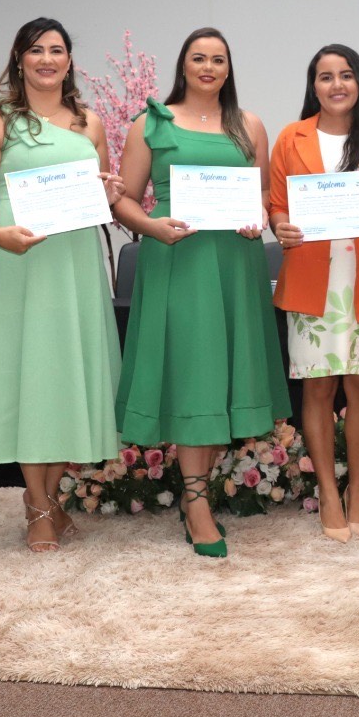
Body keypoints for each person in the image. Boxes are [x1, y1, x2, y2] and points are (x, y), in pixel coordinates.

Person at [112, 28, 291, 559]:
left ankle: (198, 492)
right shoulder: (151, 122)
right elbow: (124, 200)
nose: (208, 67)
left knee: (223, 375)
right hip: (178, 261)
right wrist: (151, 226)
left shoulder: (249, 125)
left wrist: (259, 215)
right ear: (183, 65)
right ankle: (195, 503)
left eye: (218, 59)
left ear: (228, 68)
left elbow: (262, 192)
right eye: (199, 58)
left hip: (235, 262)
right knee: (195, 374)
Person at [0, 17, 124, 553]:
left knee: (65, 376)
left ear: (69, 61)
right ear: (19, 59)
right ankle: (35, 502)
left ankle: (52, 498)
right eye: (36, 50)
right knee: (30, 375)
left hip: (76, 263)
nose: (47, 59)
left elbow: (101, 197)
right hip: (21, 262)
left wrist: (109, 192)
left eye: (57, 50)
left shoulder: (89, 123)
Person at [269, 44, 359, 543]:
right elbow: (278, 203)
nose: (336, 84)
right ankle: (326, 490)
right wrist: (281, 226)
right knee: (318, 389)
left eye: (345, 75)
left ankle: (357, 490)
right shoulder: (290, 137)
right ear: (313, 86)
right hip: (309, 280)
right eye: (325, 77)